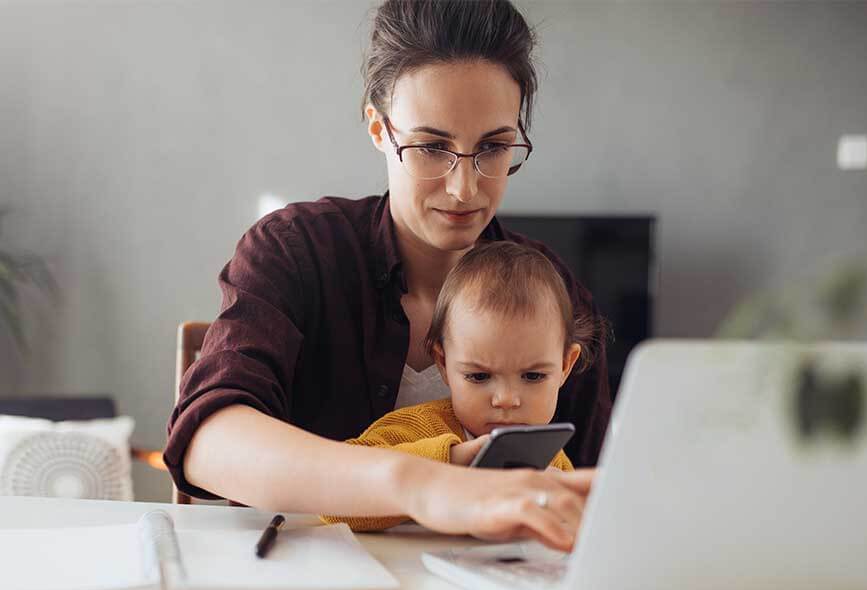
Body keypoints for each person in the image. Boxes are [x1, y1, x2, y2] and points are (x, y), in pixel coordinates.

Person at [164, 0, 612, 552]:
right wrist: (420, 484)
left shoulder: (554, 290)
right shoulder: (297, 250)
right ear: (378, 126)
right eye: (431, 147)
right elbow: (207, 441)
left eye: (493, 148)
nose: (465, 189)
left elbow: (600, 489)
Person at [321, 242, 596, 531]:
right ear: (443, 363)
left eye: (533, 376)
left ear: (566, 366)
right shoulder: (420, 427)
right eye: (479, 377)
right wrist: (449, 460)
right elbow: (332, 503)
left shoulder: (552, 458)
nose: (506, 399)